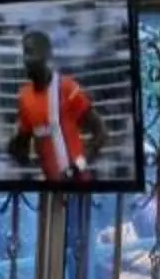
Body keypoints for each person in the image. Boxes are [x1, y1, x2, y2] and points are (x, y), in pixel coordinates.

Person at [9, 27, 106, 181]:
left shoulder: (67, 88)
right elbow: (21, 146)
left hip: (78, 184)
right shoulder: (25, 97)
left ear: (47, 55)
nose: (27, 59)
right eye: (25, 53)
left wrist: (79, 165)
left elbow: (100, 133)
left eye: (32, 52)